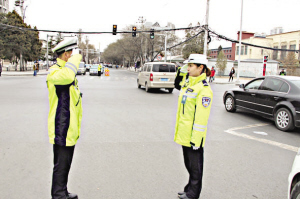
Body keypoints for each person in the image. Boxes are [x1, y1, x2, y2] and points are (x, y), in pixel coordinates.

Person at [47, 37, 82, 199]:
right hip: (62, 126)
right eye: (72, 53)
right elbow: (67, 77)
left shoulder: (65, 71)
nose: (75, 56)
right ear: (66, 55)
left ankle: (63, 190)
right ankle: (58, 195)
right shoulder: (56, 72)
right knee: (61, 165)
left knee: (66, 164)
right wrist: (74, 61)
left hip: (69, 127)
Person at [174, 54, 213, 199]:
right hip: (185, 133)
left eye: (191, 66)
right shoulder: (189, 84)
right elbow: (177, 84)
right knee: (189, 164)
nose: (188, 69)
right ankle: (188, 188)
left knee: (195, 167)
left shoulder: (203, 89)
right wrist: (182, 70)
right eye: (188, 66)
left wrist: (196, 140)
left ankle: (193, 194)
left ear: (200, 67)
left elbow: (201, 118)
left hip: (193, 137)